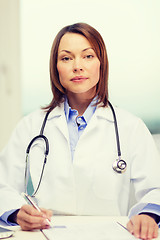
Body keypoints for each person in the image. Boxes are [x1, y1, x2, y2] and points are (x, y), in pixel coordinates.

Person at [0, 22, 160, 239]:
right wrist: (18, 213)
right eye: (66, 58)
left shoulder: (131, 127)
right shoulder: (30, 126)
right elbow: (3, 186)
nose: (77, 66)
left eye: (88, 56)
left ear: (101, 63)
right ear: (55, 67)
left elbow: (155, 188)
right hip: (44, 234)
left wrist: (148, 215)